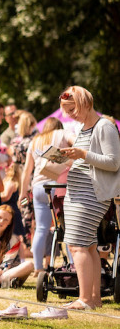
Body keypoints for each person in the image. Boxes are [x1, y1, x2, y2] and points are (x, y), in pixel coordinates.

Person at [56, 86, 120, 310]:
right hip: (79, 194)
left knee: (76, 245)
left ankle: (84, 299)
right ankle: (93, 299)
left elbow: (113, 162)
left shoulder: (105, 126)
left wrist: (82, 154)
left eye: (73, 109)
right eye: (67, 111)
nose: (70, 115)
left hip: (91, 195)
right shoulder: (84, 128)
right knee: (89, 246)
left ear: (85, 103)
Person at [19, 117, 71, 272]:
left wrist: (22, 193)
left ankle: (38, 267)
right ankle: (74, 265)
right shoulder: (63, 134)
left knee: (41, 228)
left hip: (39, 187)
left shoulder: (35, 141)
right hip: (59, 185)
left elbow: (27, 171)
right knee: (68, 228)